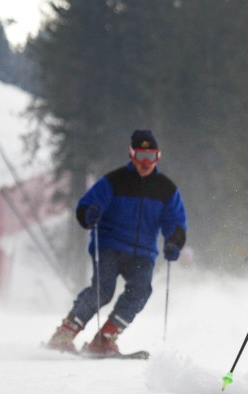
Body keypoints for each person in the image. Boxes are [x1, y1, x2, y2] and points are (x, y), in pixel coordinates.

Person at [46, 130, 187, 356]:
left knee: (140, 291)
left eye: (151, 157)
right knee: (104, 290)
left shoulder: (166, 189)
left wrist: (174, 241)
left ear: (158, 157)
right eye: (141, 156)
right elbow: (87, 205)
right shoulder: (114, 181)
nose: (145, 163)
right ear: (131, 155)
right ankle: (64, 334)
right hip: (110, 246)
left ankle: (105, 338)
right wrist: (90, 214)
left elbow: (176, 221)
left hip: (143, 252)